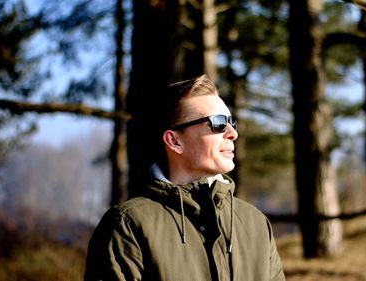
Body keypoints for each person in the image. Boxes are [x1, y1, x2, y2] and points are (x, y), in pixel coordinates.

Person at [84, 74, 286, 281]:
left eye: (230, 121)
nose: (232, 132)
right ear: (174, 141)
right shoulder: (127, 225)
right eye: (217, 123)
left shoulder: (256, 223)